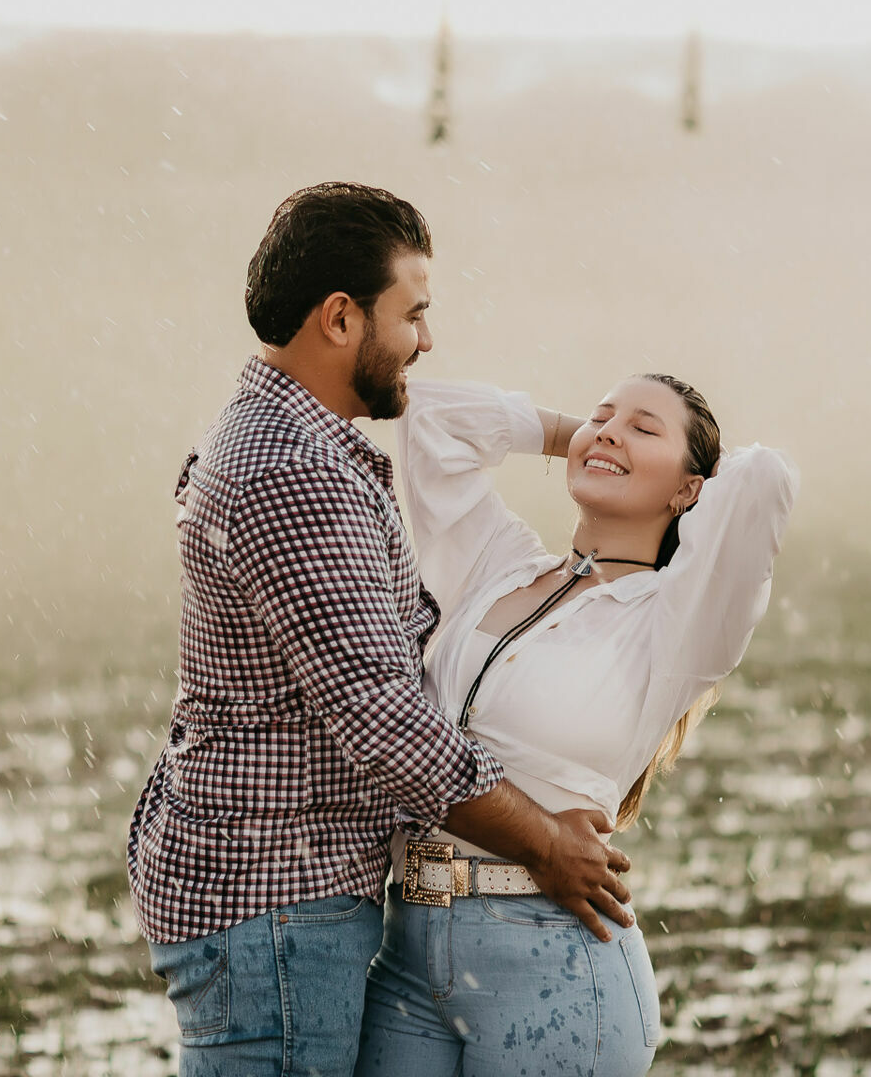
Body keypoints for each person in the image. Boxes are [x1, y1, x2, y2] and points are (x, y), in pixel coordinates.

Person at [126, 182, 634, 1077]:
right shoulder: (296, 473)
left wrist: (586, 439)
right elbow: (382, 719)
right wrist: (549, 845)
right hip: (276, 895)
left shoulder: (282, 439)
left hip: (261, 890)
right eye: (414, 313)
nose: (426, 341)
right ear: (339, 319)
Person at [354, 369, 800, 1076]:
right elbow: (429, 412)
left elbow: (764, 480)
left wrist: (668, 470)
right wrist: (579, 439)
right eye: (603, 415)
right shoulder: (496, 564)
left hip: (554, 965)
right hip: (406, 951)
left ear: (691, 489)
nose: (613, 428)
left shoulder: (674, 622)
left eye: (645, 428)